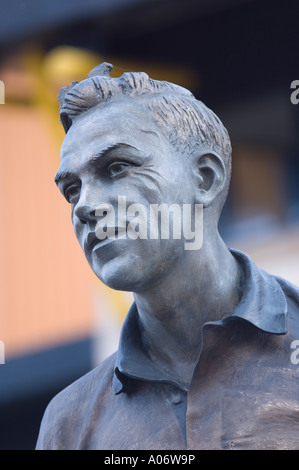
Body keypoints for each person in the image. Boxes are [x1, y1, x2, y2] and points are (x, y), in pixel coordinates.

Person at [36, 63, 299, 450]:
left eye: (117, 167)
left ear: (204, 178)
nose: (85, 206)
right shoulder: (69, 425)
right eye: (72, 190)